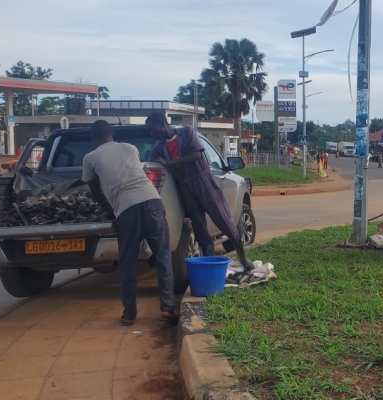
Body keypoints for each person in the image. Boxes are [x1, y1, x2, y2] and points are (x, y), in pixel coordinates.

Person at [83, 120, 175, 326]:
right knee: (163, 258)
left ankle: (129, 314)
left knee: (127, 264)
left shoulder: (90, 158)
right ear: (112, 134)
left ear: (92, 138)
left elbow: (95, 190)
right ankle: (167, 308)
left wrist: (109, 209)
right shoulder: (130, 148)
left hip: (125, 210)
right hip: (152, 203)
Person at [145, 111, 255, 271]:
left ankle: (244, 259)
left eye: (153, 129)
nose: (151, 133)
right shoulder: (158, 146)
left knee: (224, 219)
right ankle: (208, 265)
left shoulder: (187, 132)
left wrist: (169, 162)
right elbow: (150, 164)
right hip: (186, 189)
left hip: (204, 182)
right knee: (200, 228)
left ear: (163, 125)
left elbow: (196, 154)